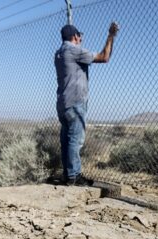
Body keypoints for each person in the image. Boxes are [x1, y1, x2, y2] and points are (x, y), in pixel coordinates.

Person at [54, 21, 119, 185]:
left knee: (66, 140)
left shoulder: (59, 53)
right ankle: (74, 177)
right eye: (80, 36)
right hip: (75, 102)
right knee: (75, 140)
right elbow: (104, 57)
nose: (81, 39)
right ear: (75, 36)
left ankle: (68, 175)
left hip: (62, 103)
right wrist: (111, 36)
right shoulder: (74, 50)